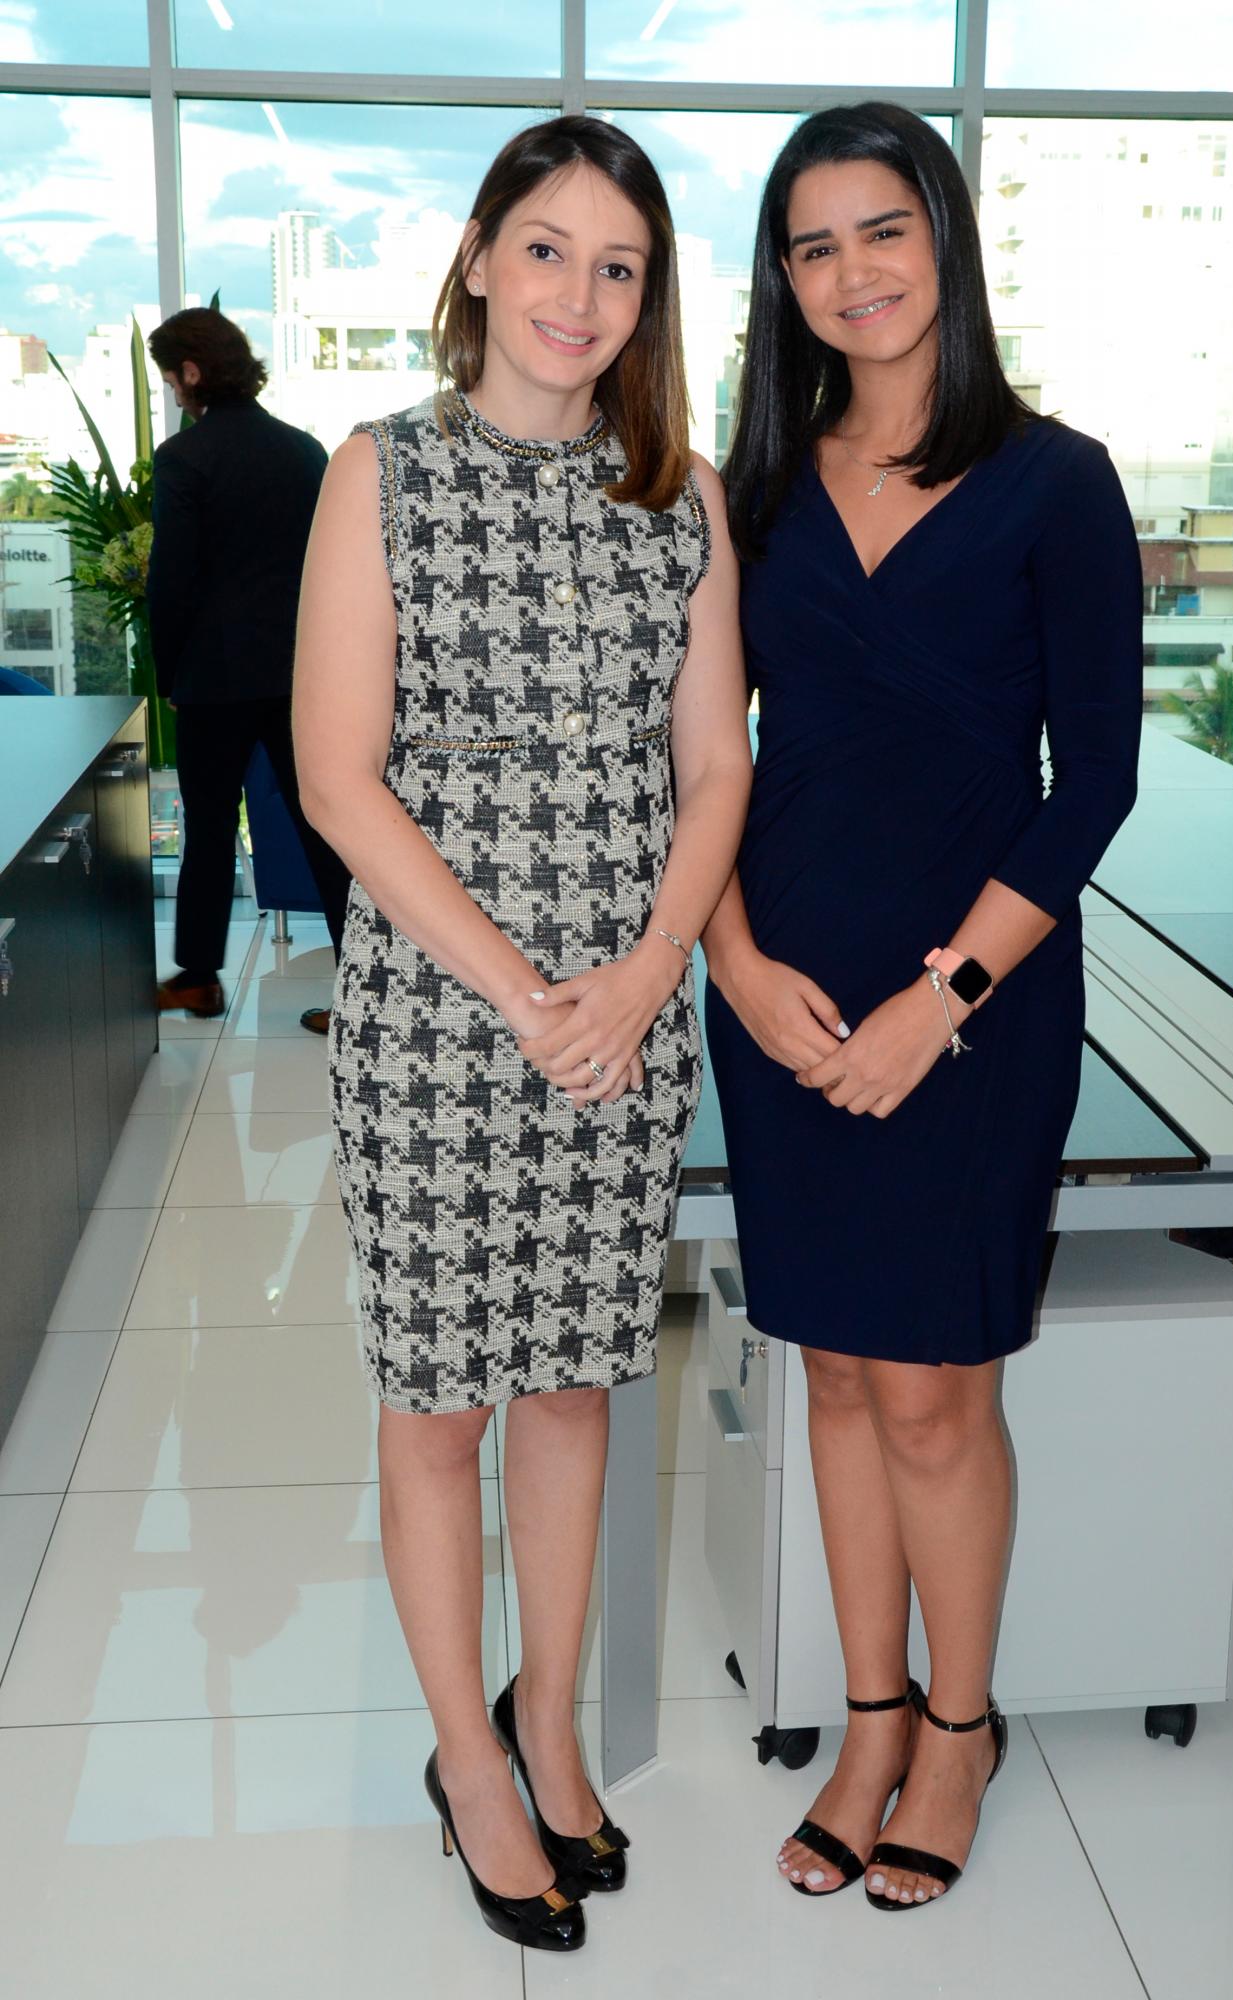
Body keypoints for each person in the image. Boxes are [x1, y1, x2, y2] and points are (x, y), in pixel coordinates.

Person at [293, 117, 749, 1951]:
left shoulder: (683, 493)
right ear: (481, 259)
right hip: (435, 1015)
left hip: (626, 1023)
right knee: (437, 1411)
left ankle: (547, 1728)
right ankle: (464, 1768)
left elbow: (715, 765)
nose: (579, 294)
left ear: (648, 300)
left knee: (574, 1386)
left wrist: (642, 974)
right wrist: (523, 988)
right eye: (547, 250)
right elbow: (338, 778)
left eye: (618, 265)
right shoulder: (378, 473)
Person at [705, 102, 1141, 1911]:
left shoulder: (1060, 479)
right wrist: (728, 956)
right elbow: (692, 761)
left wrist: (939, 998)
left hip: (972, 1000)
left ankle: (958, 1728)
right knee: (830, 1370)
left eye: (883, 231)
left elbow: (1092, 784)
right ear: (782, 283)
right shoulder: (753, 489)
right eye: (813, 246)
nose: (853, 273)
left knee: (938, 1399)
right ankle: (870, 1714)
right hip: (783, 991)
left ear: (945, 243)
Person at [146, 307, 349, 1031]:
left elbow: (170, 582)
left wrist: (168, 676)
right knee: (327, 826)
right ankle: (366, 992)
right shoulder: (304, 451)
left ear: (192, 373)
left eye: (170, 377)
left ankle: (198, 980)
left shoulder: (183, 459)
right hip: (303, 675)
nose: (172, 391)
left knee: (206, 829)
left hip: (214, 679)